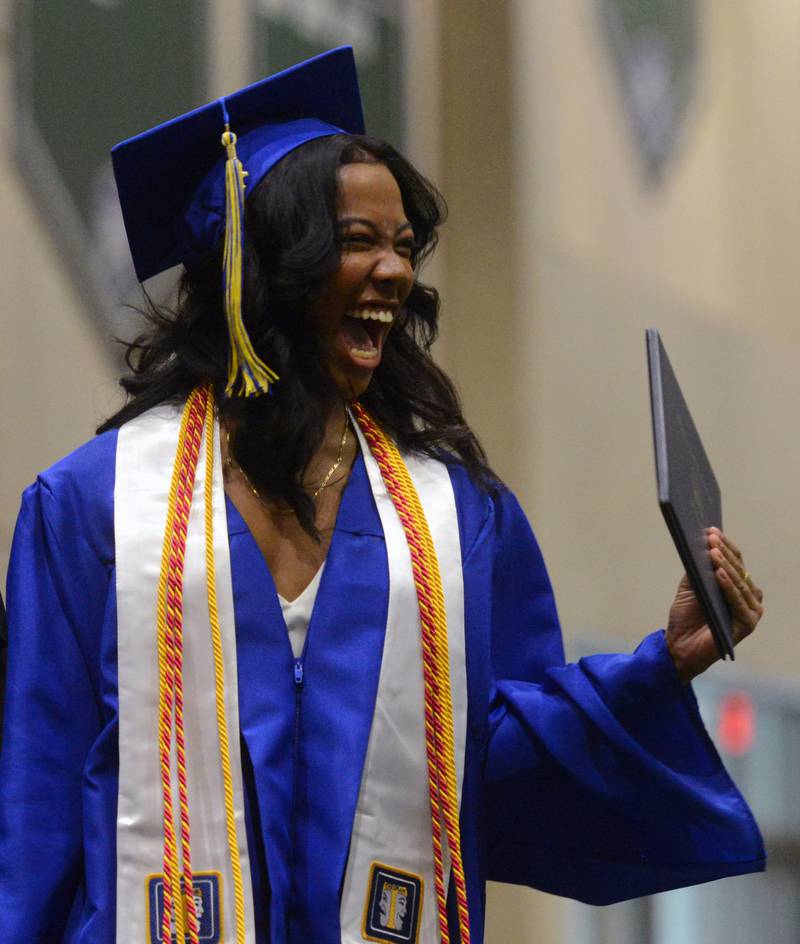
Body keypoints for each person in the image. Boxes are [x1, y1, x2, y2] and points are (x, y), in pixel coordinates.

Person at [0, 47, 764, 944]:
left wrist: (660, 667)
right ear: (267, 268)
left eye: (403, 247)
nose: (396, 273)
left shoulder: (456, 518)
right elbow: (38, 805)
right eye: (357, 241)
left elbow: (490, 771)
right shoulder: (95, 508)